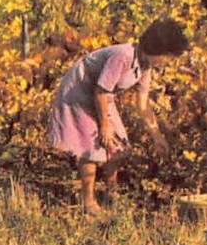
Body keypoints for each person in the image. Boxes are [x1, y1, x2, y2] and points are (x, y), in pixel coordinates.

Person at [48, 18, 190, 216]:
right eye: (169, 57)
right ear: (159, 50)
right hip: (80, 91)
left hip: (103, 95)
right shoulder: (123, 55)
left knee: (120, 146)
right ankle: (88, 202)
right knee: (92, 145)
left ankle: (110, 190)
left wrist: (157, 136)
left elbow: (143, 104)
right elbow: (99, 90)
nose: (169, 61)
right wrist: (104, 126)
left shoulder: (145, 65)